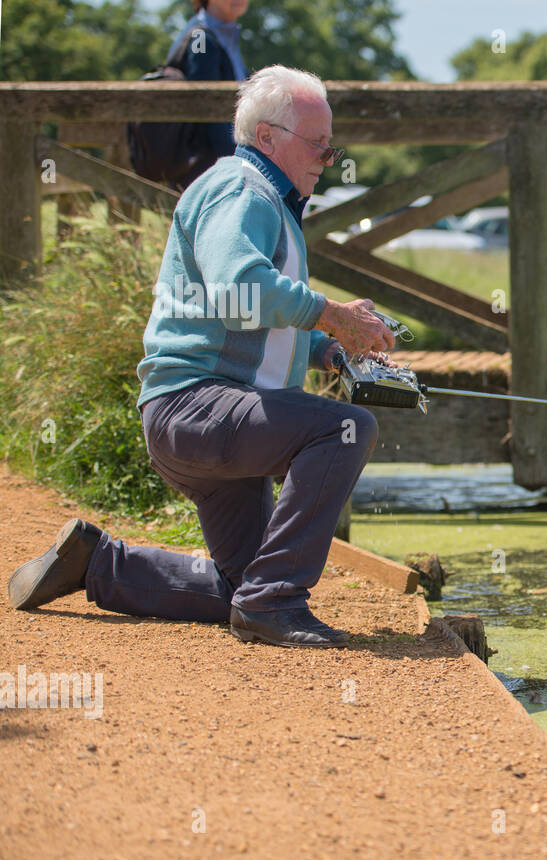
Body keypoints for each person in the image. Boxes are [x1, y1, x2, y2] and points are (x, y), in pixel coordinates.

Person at [8, 66, 395, 649]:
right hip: (196, 408)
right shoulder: (240, 189)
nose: (329, 156)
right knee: (345, 428)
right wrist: (331, 312)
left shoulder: (265, 198)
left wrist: (331, 351)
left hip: (211, 417)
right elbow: (239, 289)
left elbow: (251, 321)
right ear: (266, 137)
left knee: (238, 585)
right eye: (318, 143)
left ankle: (96, 564)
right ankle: (276, 604)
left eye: (329, 143)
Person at [169, 0, 252, 187]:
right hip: (209, 168)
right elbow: (206, 104)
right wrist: (236, 162)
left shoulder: (222, 35)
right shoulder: (201, 36)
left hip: (220, 163)